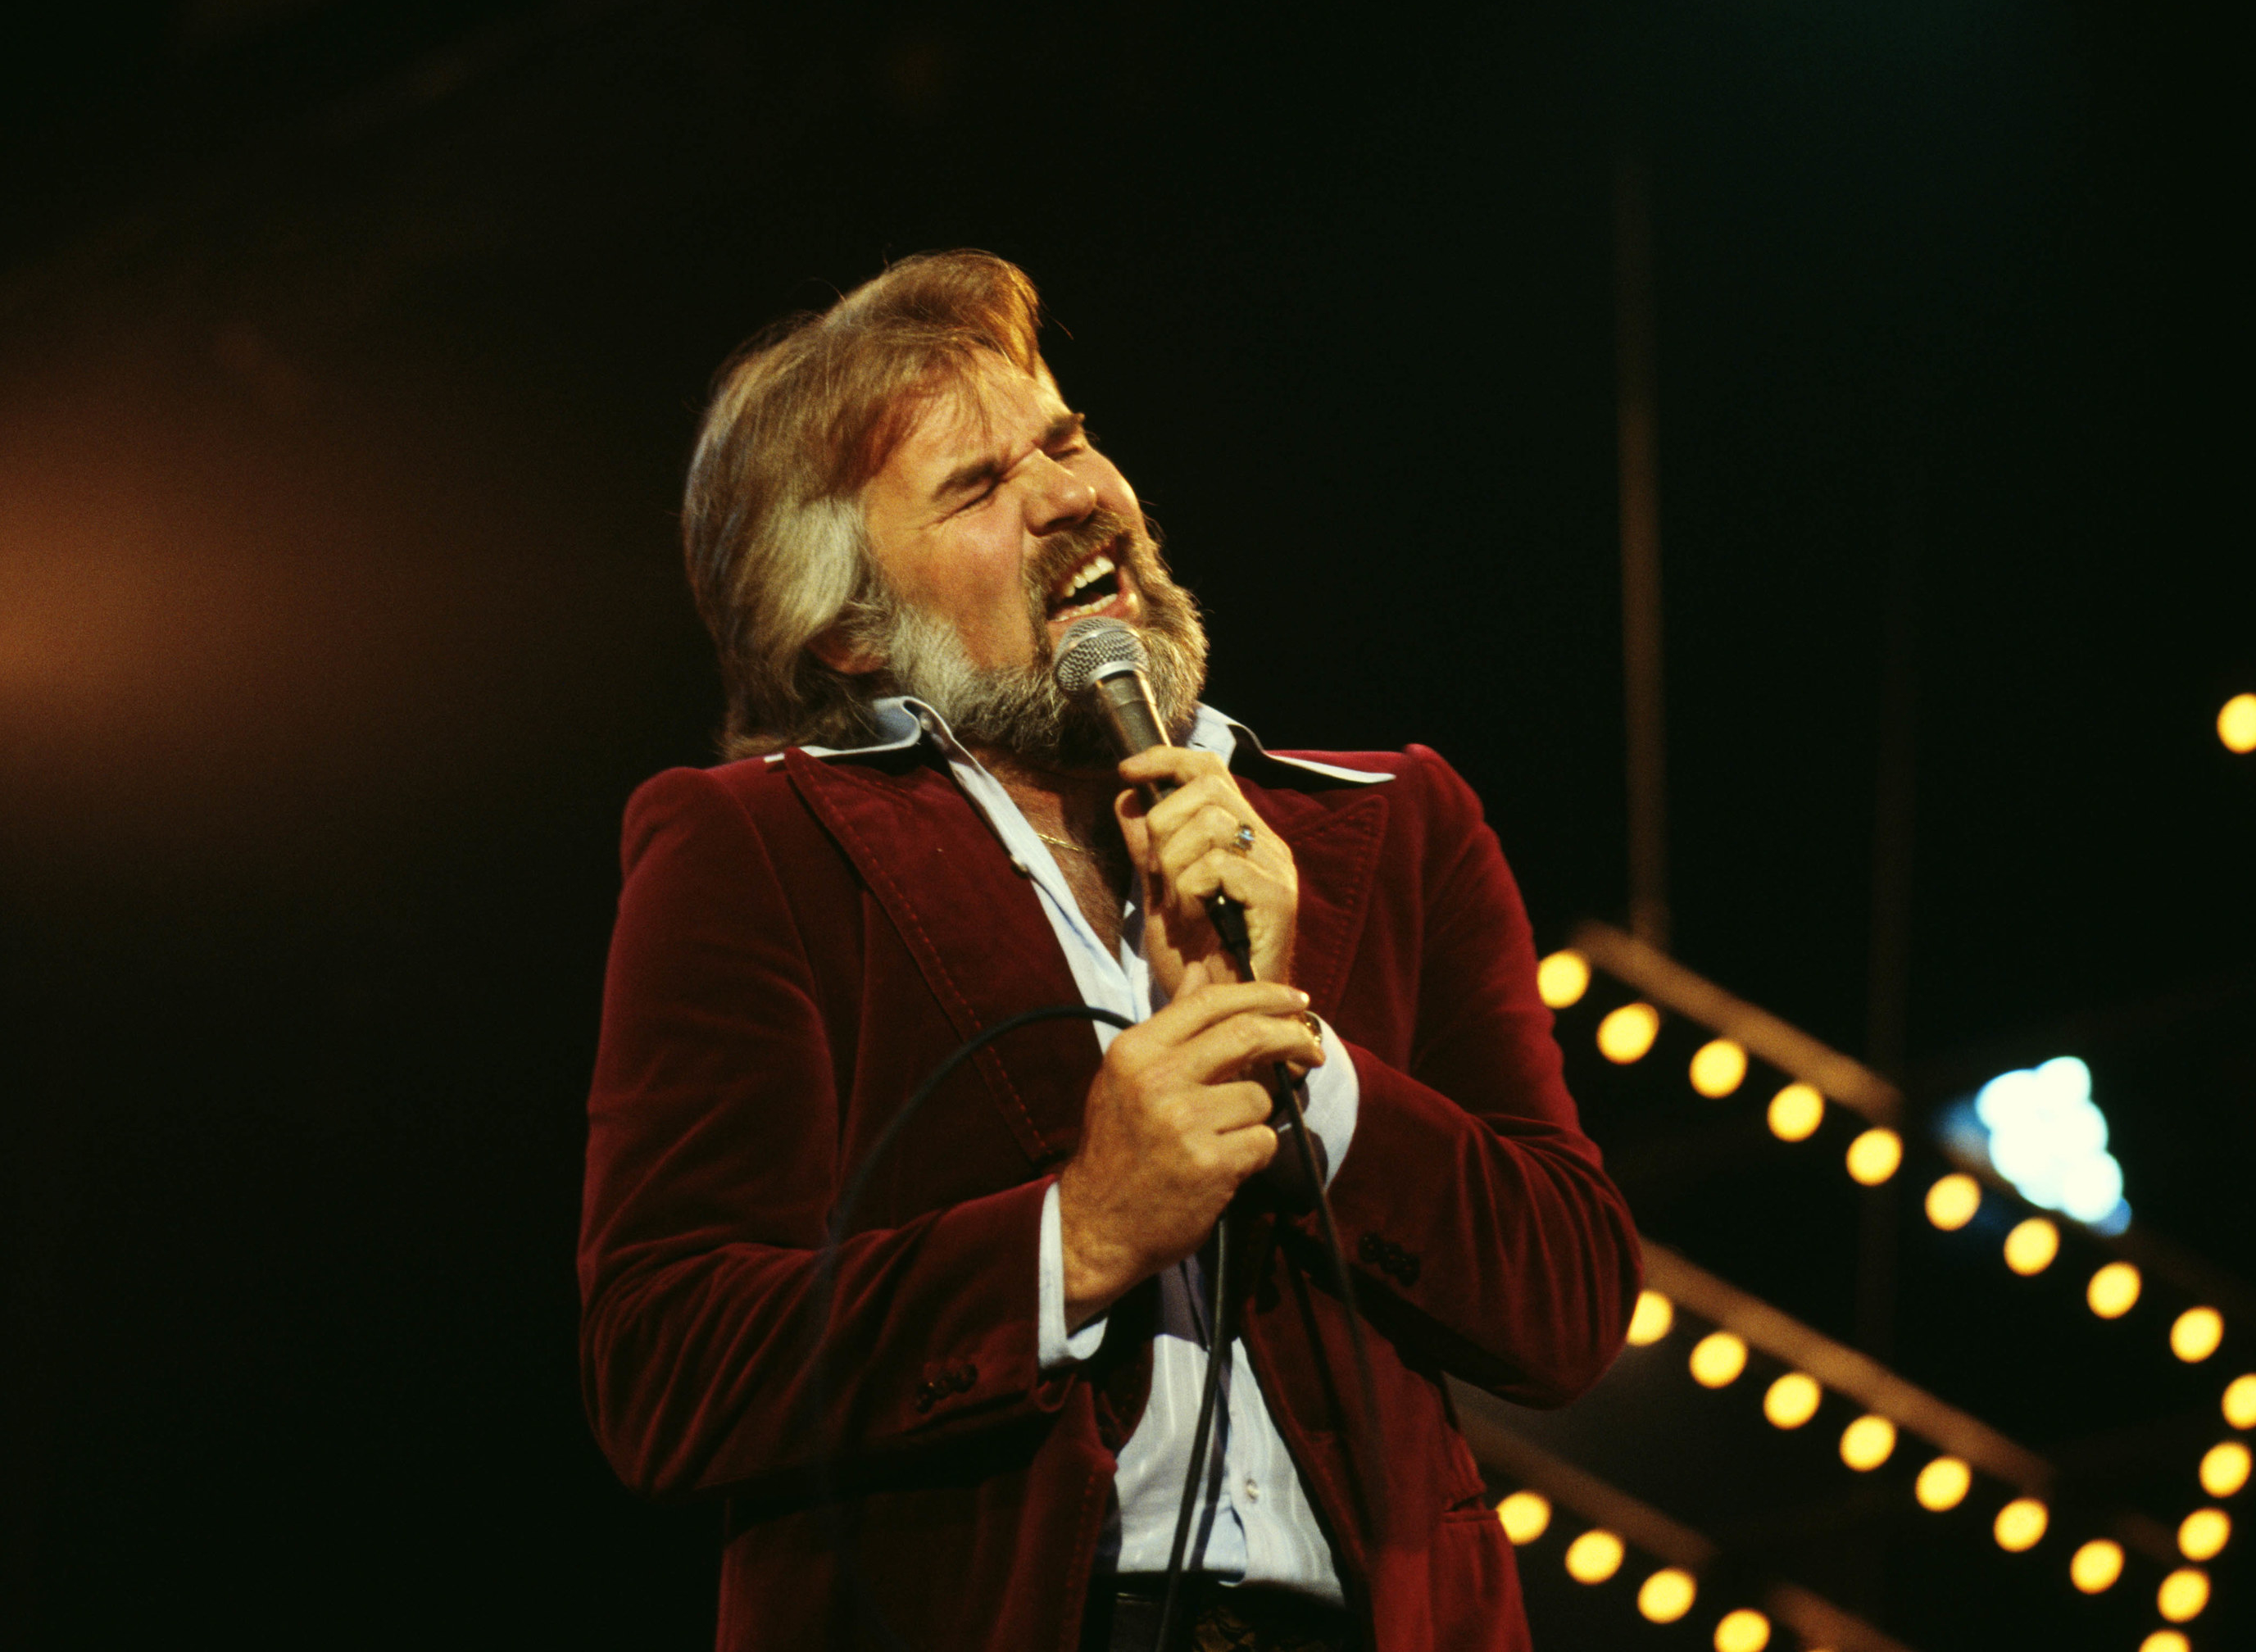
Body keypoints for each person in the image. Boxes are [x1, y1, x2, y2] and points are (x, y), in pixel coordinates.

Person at [579, 252, 1636, 1651]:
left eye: (1069, 441)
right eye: (976, 486)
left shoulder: (1390, 823)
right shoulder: (757, 847)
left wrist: (1304, 1069)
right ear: (844, 626)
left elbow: (1565, 1300)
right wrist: (1074, 1235)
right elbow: (671, 1361)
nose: (1075, 493)